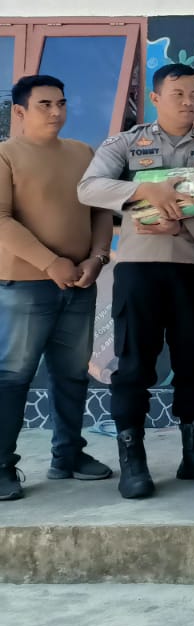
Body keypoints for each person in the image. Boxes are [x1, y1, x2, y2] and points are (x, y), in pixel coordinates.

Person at [78, 63, 194, 499]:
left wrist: (183, 224)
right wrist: (145, 192)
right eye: (179, 94)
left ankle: (193, 451)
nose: (189, 102)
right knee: (133, 365)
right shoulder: (126, 143)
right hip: (139, 268)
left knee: (193, 361)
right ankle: (133, 457)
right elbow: (88, 189)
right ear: (156, 97)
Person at [0, 75, 114, 500]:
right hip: (24, 285)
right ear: (20, 112)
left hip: (80, 282)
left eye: (62, 103)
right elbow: (1, 221)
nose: (56, 112)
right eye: (45, 104)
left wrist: (97, 258)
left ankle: (68, 454)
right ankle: (2, 466)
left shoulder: (84, 153)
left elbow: (103, 212)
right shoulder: (6, 155)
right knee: (13, 378)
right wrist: (51, 263)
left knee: (71, 376)